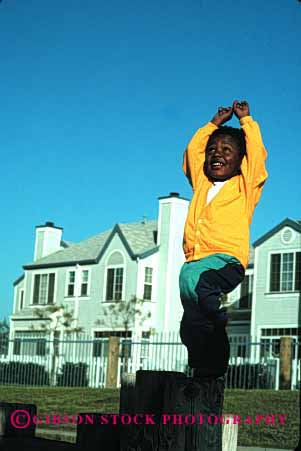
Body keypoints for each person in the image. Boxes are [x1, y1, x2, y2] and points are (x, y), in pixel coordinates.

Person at [179, 100, 268, 378]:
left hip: (226, 260)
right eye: (213, 151)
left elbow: (256, 155)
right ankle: (204, 366)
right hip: (194, 264)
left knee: (207, 294)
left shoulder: (244, 186)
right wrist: (212, 124)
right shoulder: (202, 184)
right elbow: (193, 152)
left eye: (227, 150)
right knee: (190, 324)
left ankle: (218, 321)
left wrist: (246, 121)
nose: (217, 154)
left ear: (240, 160)